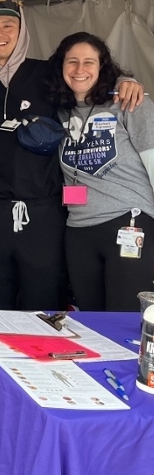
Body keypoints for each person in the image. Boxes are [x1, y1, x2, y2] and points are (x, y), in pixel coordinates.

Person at [0, 0, 144, 312]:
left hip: (45, 213)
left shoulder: (49, 75)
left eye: (7, 25)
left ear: (22, 30)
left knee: (44, 305)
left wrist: (125, 80)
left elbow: (90, 82)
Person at [46, 32, 154, 311]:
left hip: (128, 221)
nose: (79, 70)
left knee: (125, 316)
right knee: (92, 320)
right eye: (72, 62)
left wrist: (126, 83)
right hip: (79, 229)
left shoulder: (129, 101)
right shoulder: (59, 109)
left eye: (88, 62)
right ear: (61, 67)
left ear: (102, 66)